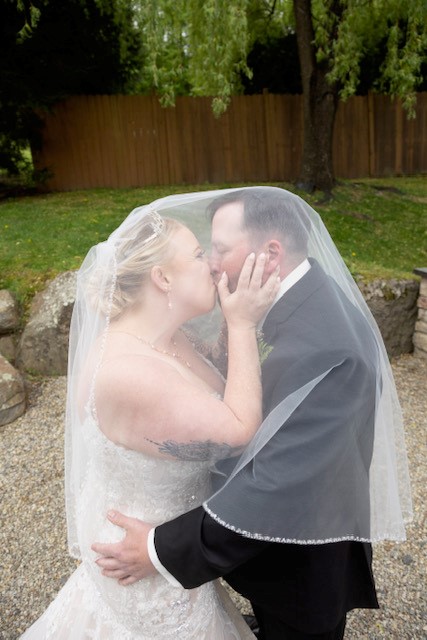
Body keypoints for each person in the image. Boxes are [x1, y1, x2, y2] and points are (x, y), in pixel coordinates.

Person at [93, 187, 413, 640]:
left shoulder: (331, 351)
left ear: (272, 252)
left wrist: (158, 550)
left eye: (220, 248)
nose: (213, 263)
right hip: (271, 549)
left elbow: (276, 483)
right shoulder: (296, 298)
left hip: (301, 567)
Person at [20, 202, 281, 639]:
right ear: (162, 278)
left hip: (175, 550)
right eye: (199, 255)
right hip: (143, 570)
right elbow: (239, 428)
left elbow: (207, 386)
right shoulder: (128, 373)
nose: (213, 265)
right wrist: (240, 323)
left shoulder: (167, 336)